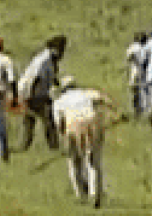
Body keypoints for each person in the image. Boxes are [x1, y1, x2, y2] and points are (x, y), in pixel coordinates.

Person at [52, 77, 114, 208]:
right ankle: (95, 193)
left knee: (74, 161)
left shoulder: (59, 101)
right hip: (92, 122)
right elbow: (105, 99)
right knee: (93, 160)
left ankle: (80, 194)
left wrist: (64, 139)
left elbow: (59, 123)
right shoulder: (86, 93)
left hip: (72, 125)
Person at [18, 35, 67, 151]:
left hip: (37, 92)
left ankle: (24, 147)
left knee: (30, 121)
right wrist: (29, 97)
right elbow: (35, 78)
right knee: (48, 118)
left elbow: (51, 77)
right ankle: (53, 146)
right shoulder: (43, 60)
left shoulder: (51, 60)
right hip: (32, 92)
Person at [125, 31, 149, 119]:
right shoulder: (148, 48)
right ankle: (145, 113)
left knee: (135, 94)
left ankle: (137, 112)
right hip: (146, 73)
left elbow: (128, 59)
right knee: (145, 93)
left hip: (135, 72)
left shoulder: (133, 47)